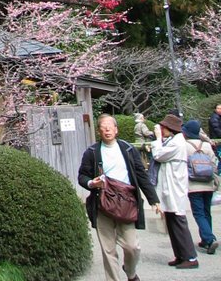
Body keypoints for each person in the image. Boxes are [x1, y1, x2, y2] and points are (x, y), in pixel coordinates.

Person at [78, 113, 159, 281]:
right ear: (99, 130)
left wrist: (154, 199)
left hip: (126, 203)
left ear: (116, 129)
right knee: (108, 250)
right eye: (103, 127)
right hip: (102, 203)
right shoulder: (92, 152)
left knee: (132, 247)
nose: (107, 130)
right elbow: (82, 177)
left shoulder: (128, 149)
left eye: (110, 127)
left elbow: (140, 175)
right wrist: (92, 184)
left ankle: (130, 272)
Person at [152, 112, 199, 269]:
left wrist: (158, 139)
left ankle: (190, 257)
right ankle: (180, 255)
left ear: (169, 128)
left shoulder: (177, 143)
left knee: (178, 222)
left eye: (163, 127)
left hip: (174, 188)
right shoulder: (173, 141)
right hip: (170, 187)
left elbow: (158, 155)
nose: (161, 130)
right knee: (172, 221)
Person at [183, 118, 219, 254]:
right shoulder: (207, 146)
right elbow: (214, 164)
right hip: (208, 183)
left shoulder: (185, 147)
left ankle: (209, 239)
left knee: (198, 213)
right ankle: (206, 238)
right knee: (206, 211)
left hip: (194, 184)